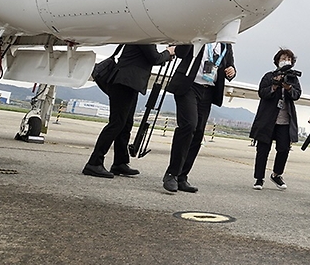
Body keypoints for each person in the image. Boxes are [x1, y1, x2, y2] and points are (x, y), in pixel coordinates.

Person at [83, 44, 175, 178]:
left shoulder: (144, 34)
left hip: (129, 84)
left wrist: (165, 55)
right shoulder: (146, 35)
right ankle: (94, 163)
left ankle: (120, 162)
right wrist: (168, 52)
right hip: (124, 83)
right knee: (117, 123)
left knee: (125, 124)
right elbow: (155, 58)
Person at [162, 42, 236, 194]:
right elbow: (180, 52)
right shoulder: (199, 34)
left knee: (198, 132)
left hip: (208, 90)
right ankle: (172, 173)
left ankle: (182, 176)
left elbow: (230, 65)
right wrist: (195, 38)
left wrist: (232, 71)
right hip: (189, 86)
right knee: (189, 125)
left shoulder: (225, 45)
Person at [249, 49, 301, 190]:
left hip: (284, 120)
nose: (286, 61)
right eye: (284, 58)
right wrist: (274, 85)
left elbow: (297, 95)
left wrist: (289, 88)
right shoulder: (269, 76)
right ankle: (259, 178)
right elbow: (262, 93)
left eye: (289, 59)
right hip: (267, 119)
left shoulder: (293, 78)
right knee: (263, 149)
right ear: (277, 60)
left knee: (283, 149)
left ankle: (277, 174)